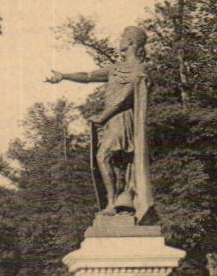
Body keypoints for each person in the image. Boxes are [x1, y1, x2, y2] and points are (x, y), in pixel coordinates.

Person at [45, 26, 153, 221]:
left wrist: (102, 116)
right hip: (111, 121)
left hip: (124, 119)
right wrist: (64, 76)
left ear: (130, 42)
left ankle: (112, 203)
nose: (119, 40)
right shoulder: (115, 68)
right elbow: (88, 76)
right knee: (117, 163)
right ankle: (122, 201)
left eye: (122, 37)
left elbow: (123, 99)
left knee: (103, 156)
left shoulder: (138, 69)